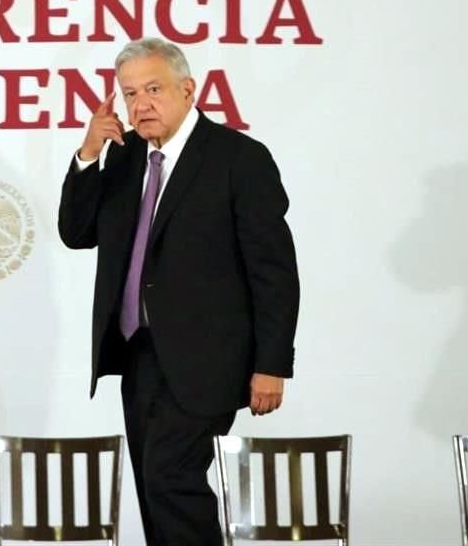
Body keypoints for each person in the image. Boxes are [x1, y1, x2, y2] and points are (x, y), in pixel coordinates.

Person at [58, 37, 299, 545]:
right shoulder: (123, 160)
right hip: (140, 357)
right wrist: (88, 153)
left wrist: (272, 363)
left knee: (170, 476)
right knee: (154, 487)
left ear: (187, 89)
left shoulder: (238, 158)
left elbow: (274, 271)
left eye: (153, 89)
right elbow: (76, 233)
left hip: (208, 361)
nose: (140, 105)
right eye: (129, 94)